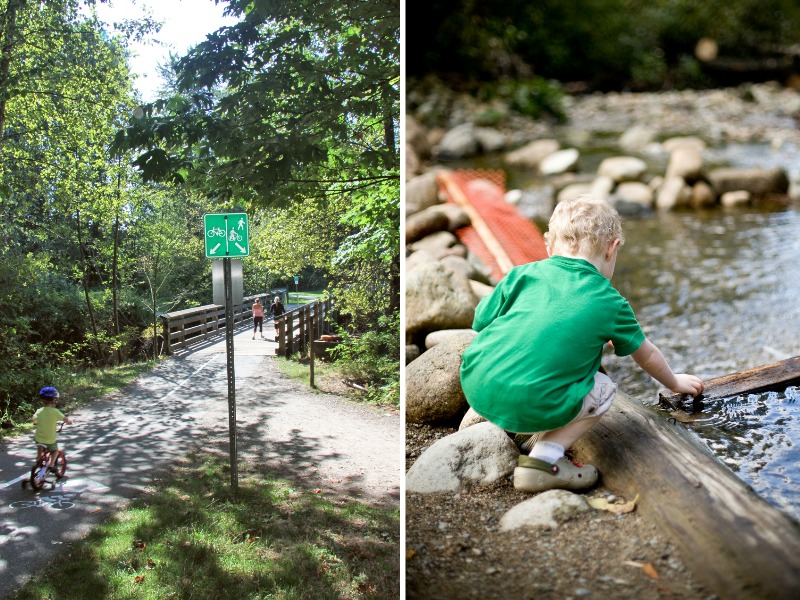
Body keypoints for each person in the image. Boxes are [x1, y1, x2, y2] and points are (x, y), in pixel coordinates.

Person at [460, 195, 704, 494]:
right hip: (532, 400)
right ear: (612, 249)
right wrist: (675, 382)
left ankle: (518, 422)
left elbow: (481, 322)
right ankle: (543, 462)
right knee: (603, 387)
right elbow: (647, 355)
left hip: (476, 385)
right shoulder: (610, 301)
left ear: (549, 245)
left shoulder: (522, 273)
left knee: (533, 359)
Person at [33, 386, 73, 471]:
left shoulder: (39, 411)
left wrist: (36, 423)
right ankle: (51, 465)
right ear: (53, 401)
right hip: (50, 439)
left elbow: (34, 420)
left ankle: (38, 458)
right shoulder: (55, 412)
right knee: (55, 451)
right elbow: (65, 419)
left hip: (39, 438)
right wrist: (69, 421)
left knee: (40, 443)